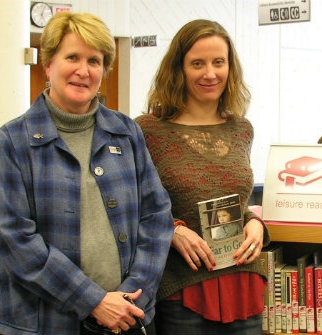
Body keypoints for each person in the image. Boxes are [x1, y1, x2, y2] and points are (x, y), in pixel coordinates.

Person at [0, 12, 174, 335]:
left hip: (126, 317)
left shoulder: (126, 133)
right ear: (48, 64)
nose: (83, 70)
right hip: (43, 323)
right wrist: (93, 301)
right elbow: (15, 240)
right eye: (72, 57)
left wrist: (132, 295)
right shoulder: (11, 142)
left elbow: (157, 216)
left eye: (94, 60)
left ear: (104, 71)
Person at [135, 19, 270, 335]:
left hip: (243, 283)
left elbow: (233, 201)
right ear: (179, 69)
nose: (210, 73)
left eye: (218, 62)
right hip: (183, 288)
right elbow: (132, 208)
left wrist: (254, 223)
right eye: (197, 63)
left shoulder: (241, 129)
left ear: (230, 68)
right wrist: (172, 230)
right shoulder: (148, 130)